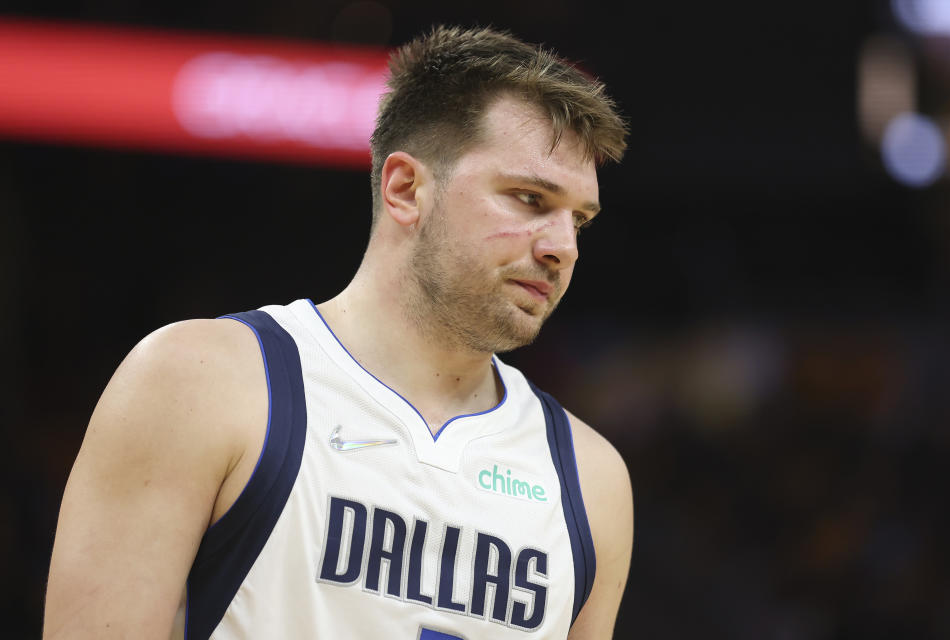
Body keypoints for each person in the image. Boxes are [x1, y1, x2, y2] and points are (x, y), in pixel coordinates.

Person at [43, 25, 632, 639]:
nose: (563, 247)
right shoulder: (201, 381)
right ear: (406, 189)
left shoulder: (591, 479)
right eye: (531, 199)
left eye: (579, 220)